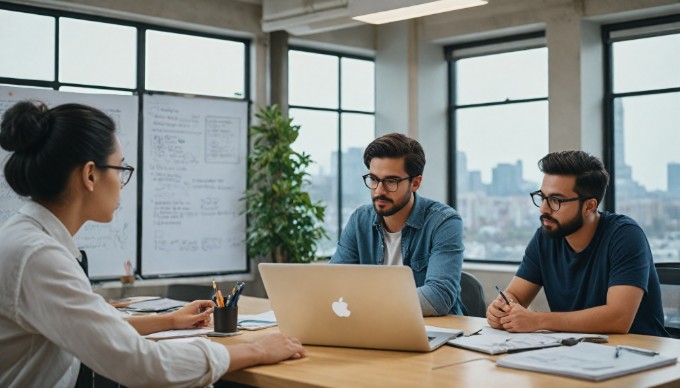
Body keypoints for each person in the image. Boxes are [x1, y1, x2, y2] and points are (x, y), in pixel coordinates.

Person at [0, 101, 305, 387]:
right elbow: (139, 363)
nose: (122, 184)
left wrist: (170, 320)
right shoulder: (38, 256)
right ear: (90, 175)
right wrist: (256, 351)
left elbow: (93, 329)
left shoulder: (29, 239)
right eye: (121, 169)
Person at [487, 150, 668, 337]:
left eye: (556, 200)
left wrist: (538, 320)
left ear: (589, 206)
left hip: (639, 355)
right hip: (576, 352)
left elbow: (618, 318)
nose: (543, 208)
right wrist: (501, 310)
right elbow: (515, 296)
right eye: (542, 197)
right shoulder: (545, 236)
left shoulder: (625, 236)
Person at [330, 133, 464, 316]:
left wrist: (364, 301)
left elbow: (438, 297)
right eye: (374, 179)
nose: (379, 190)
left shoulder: (444, 222)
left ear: (415, 183)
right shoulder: (360, 219)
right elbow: (332, 283)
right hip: (372, 328)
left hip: (433, 330)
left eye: (391, 181)